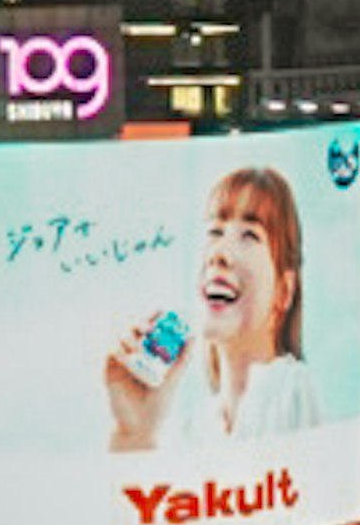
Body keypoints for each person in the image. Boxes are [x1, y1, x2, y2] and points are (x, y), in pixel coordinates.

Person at [106, 163, 322, 454]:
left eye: (249, 235)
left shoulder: (291, 388)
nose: (218, 254)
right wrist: (135, 432)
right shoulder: (194, 428)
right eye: (215, 231)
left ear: (284, 290)